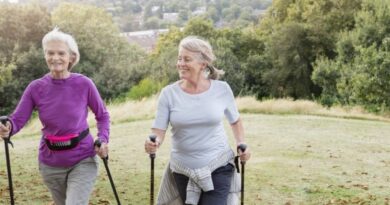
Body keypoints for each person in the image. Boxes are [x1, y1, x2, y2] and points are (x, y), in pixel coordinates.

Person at [0, 27, 110, 205]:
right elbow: (17, 119)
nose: (55, 58)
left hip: (83, 158)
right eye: (50, 53)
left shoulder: (84, 84)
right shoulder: (36, 88)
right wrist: (8, 128)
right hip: (50, 164)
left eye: (61, 53)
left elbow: (102, 115)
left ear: (71, 57)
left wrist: (103, 138)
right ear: (45, 55)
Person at [145, 36, 251, 205]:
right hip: (183, 170)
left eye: (187, 59)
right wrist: (154, 142)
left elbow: (235, 121)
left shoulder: (221, 89)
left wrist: (241, 143)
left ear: (203, 63)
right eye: (179, 58)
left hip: (219, 165)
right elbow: (158, 130)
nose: (181, 63)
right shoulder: (168, 94)